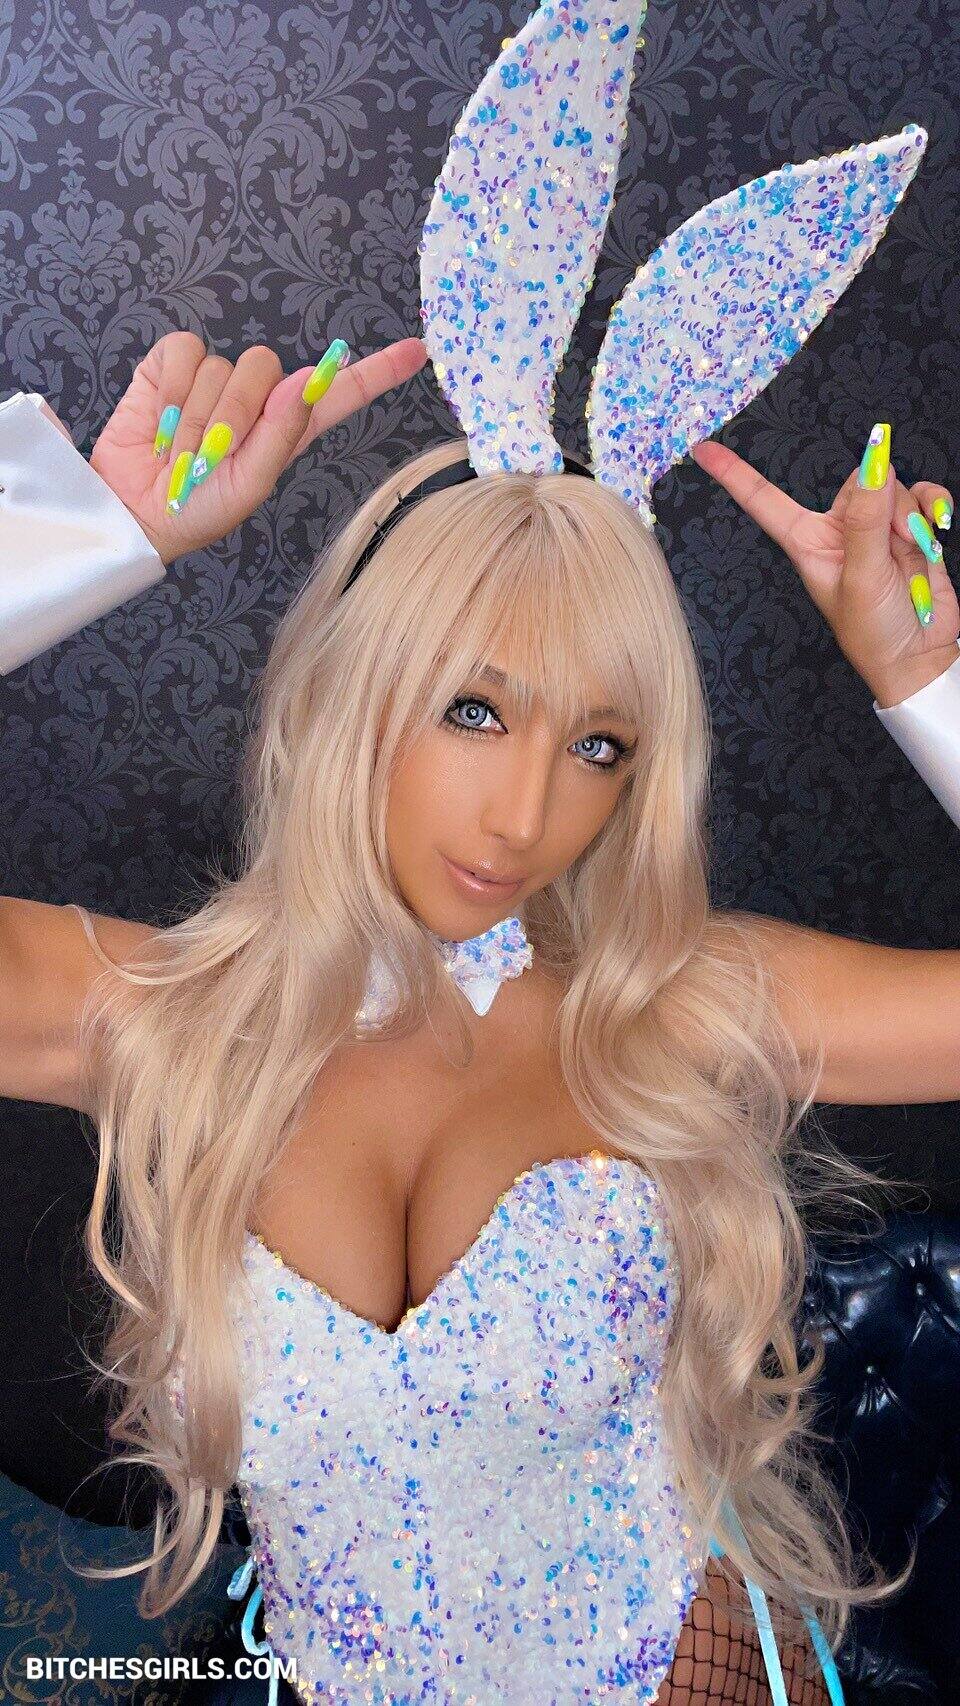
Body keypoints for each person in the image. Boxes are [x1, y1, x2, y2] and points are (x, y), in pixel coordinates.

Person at [1, 1, 958, 1700]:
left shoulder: (680, 1002)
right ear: (357, 693)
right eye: (472, 710)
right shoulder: (157, 1016)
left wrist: (929, 681)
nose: (528, 814)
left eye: (599, 745)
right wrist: (84, 534)